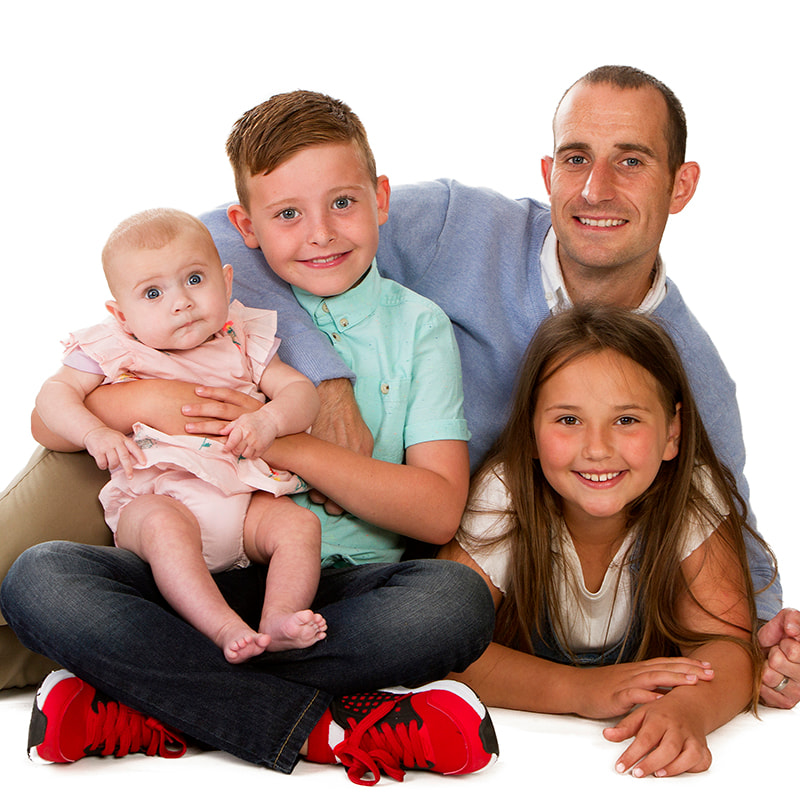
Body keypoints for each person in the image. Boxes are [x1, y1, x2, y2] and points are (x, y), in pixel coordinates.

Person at [192, 65, 800, 707]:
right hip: (273, 520)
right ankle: (215, 661)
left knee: (444, 613)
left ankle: (192, 674)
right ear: (548, 172)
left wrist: (769, 642)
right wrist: (326, 381)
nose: (597, 188)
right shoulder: (458, 226)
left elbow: (723, 523)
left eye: (631, 161)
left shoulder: (691, 371)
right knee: (81, 571)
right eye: (576, 158)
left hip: (427, 585)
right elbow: (216, 239)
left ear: (681, 187)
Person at [1, 91, 498, 785]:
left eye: (343, 203)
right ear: (247, 227)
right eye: (288, 214)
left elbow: (438, 511)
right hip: (177, 578)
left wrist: (272, 438)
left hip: (324, 591)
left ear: (381, 199)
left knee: (455, 603)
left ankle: (154, 700)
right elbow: (52, 410)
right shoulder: (207, 310)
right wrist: (147, 402)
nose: (320, 233)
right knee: (39, 577)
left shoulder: (415, 327)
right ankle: (326, 728)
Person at [439, 304, 772, 778]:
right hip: (531, 758)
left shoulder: (690, 491)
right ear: (532, 428)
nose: (597, 448)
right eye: (569, 420)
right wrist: (581, 689)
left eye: (627, 420)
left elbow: (727, 646)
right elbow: (448, 649)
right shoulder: (506, 492)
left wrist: (692, 711)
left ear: (672, 432)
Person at [35, 208, 326, 663]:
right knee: (162, 527)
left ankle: (279, 619)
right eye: (153, 292)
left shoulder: (242, 338)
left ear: (226, 283)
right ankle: (224, 627)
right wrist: (92, 431)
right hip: (159, 495)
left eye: (194, 279)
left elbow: (299, 392)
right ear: (122, 315)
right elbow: (53, 397)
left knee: (299, 525)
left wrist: (269, 421)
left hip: (243, 503)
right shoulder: (118, 347)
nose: (181, 302)